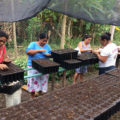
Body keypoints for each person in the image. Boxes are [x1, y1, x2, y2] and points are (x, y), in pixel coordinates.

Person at [25, 33, 51, 98]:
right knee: (33, 80)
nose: (44, 42)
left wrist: (48, 55)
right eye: (43, 40)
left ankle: (40, 94)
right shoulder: (33, 44)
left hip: (44, 66)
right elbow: (28, 52)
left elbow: (50, 53)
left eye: (46, 41)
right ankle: (32, 96)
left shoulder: (47, 46)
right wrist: (39, 50)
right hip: (33, 66)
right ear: (39, 38)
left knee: (43, 80)